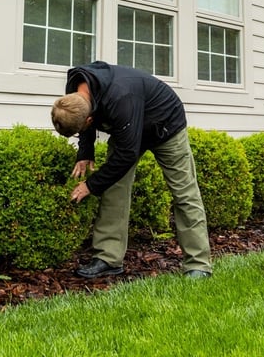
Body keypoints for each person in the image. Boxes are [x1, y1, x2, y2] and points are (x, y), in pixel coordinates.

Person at [51, 61, 212, 279]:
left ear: (90, 119)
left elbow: (126, 155)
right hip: (126, 125)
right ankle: (108, 258)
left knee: (184, 193)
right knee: (113, 189)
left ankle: (199, 265)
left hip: (164, 125)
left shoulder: (121, 97)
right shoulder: (73, 95)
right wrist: (85, 152)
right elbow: (84, 117)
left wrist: (90, 185)